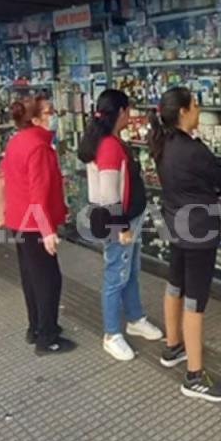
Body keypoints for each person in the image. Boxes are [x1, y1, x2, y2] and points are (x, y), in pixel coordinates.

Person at [150, 87, 221, 402]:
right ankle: (195, 376)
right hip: (198, 230)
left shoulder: (162, 143)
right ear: (184, 111)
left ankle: (173, 346)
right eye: (196, 105)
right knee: (195, 301)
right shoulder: (193, 150)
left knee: (175, 285)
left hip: (176, 225)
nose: (199, 110)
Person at [79, 89, 163, 361]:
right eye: (129, 110)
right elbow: (109, 194)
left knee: (130, 271)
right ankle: (112, 334)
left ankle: (135, 318)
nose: (132, 115)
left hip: (129, 217)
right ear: (122, 112)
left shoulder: (109, 141)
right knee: (116, 274)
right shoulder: (109, 146)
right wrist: (121, 227)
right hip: (120, 220)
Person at [0, 98, 72, 355]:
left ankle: (36, 327)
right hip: (35, 223)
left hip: (18, 219)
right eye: (49, 112)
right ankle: (48, 338)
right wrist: (48, 230)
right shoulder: (40, 147)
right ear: (36, 118)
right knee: (49, 280)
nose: (54, 115)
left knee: (31, 277)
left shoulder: (16, 140)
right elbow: (39, 193)